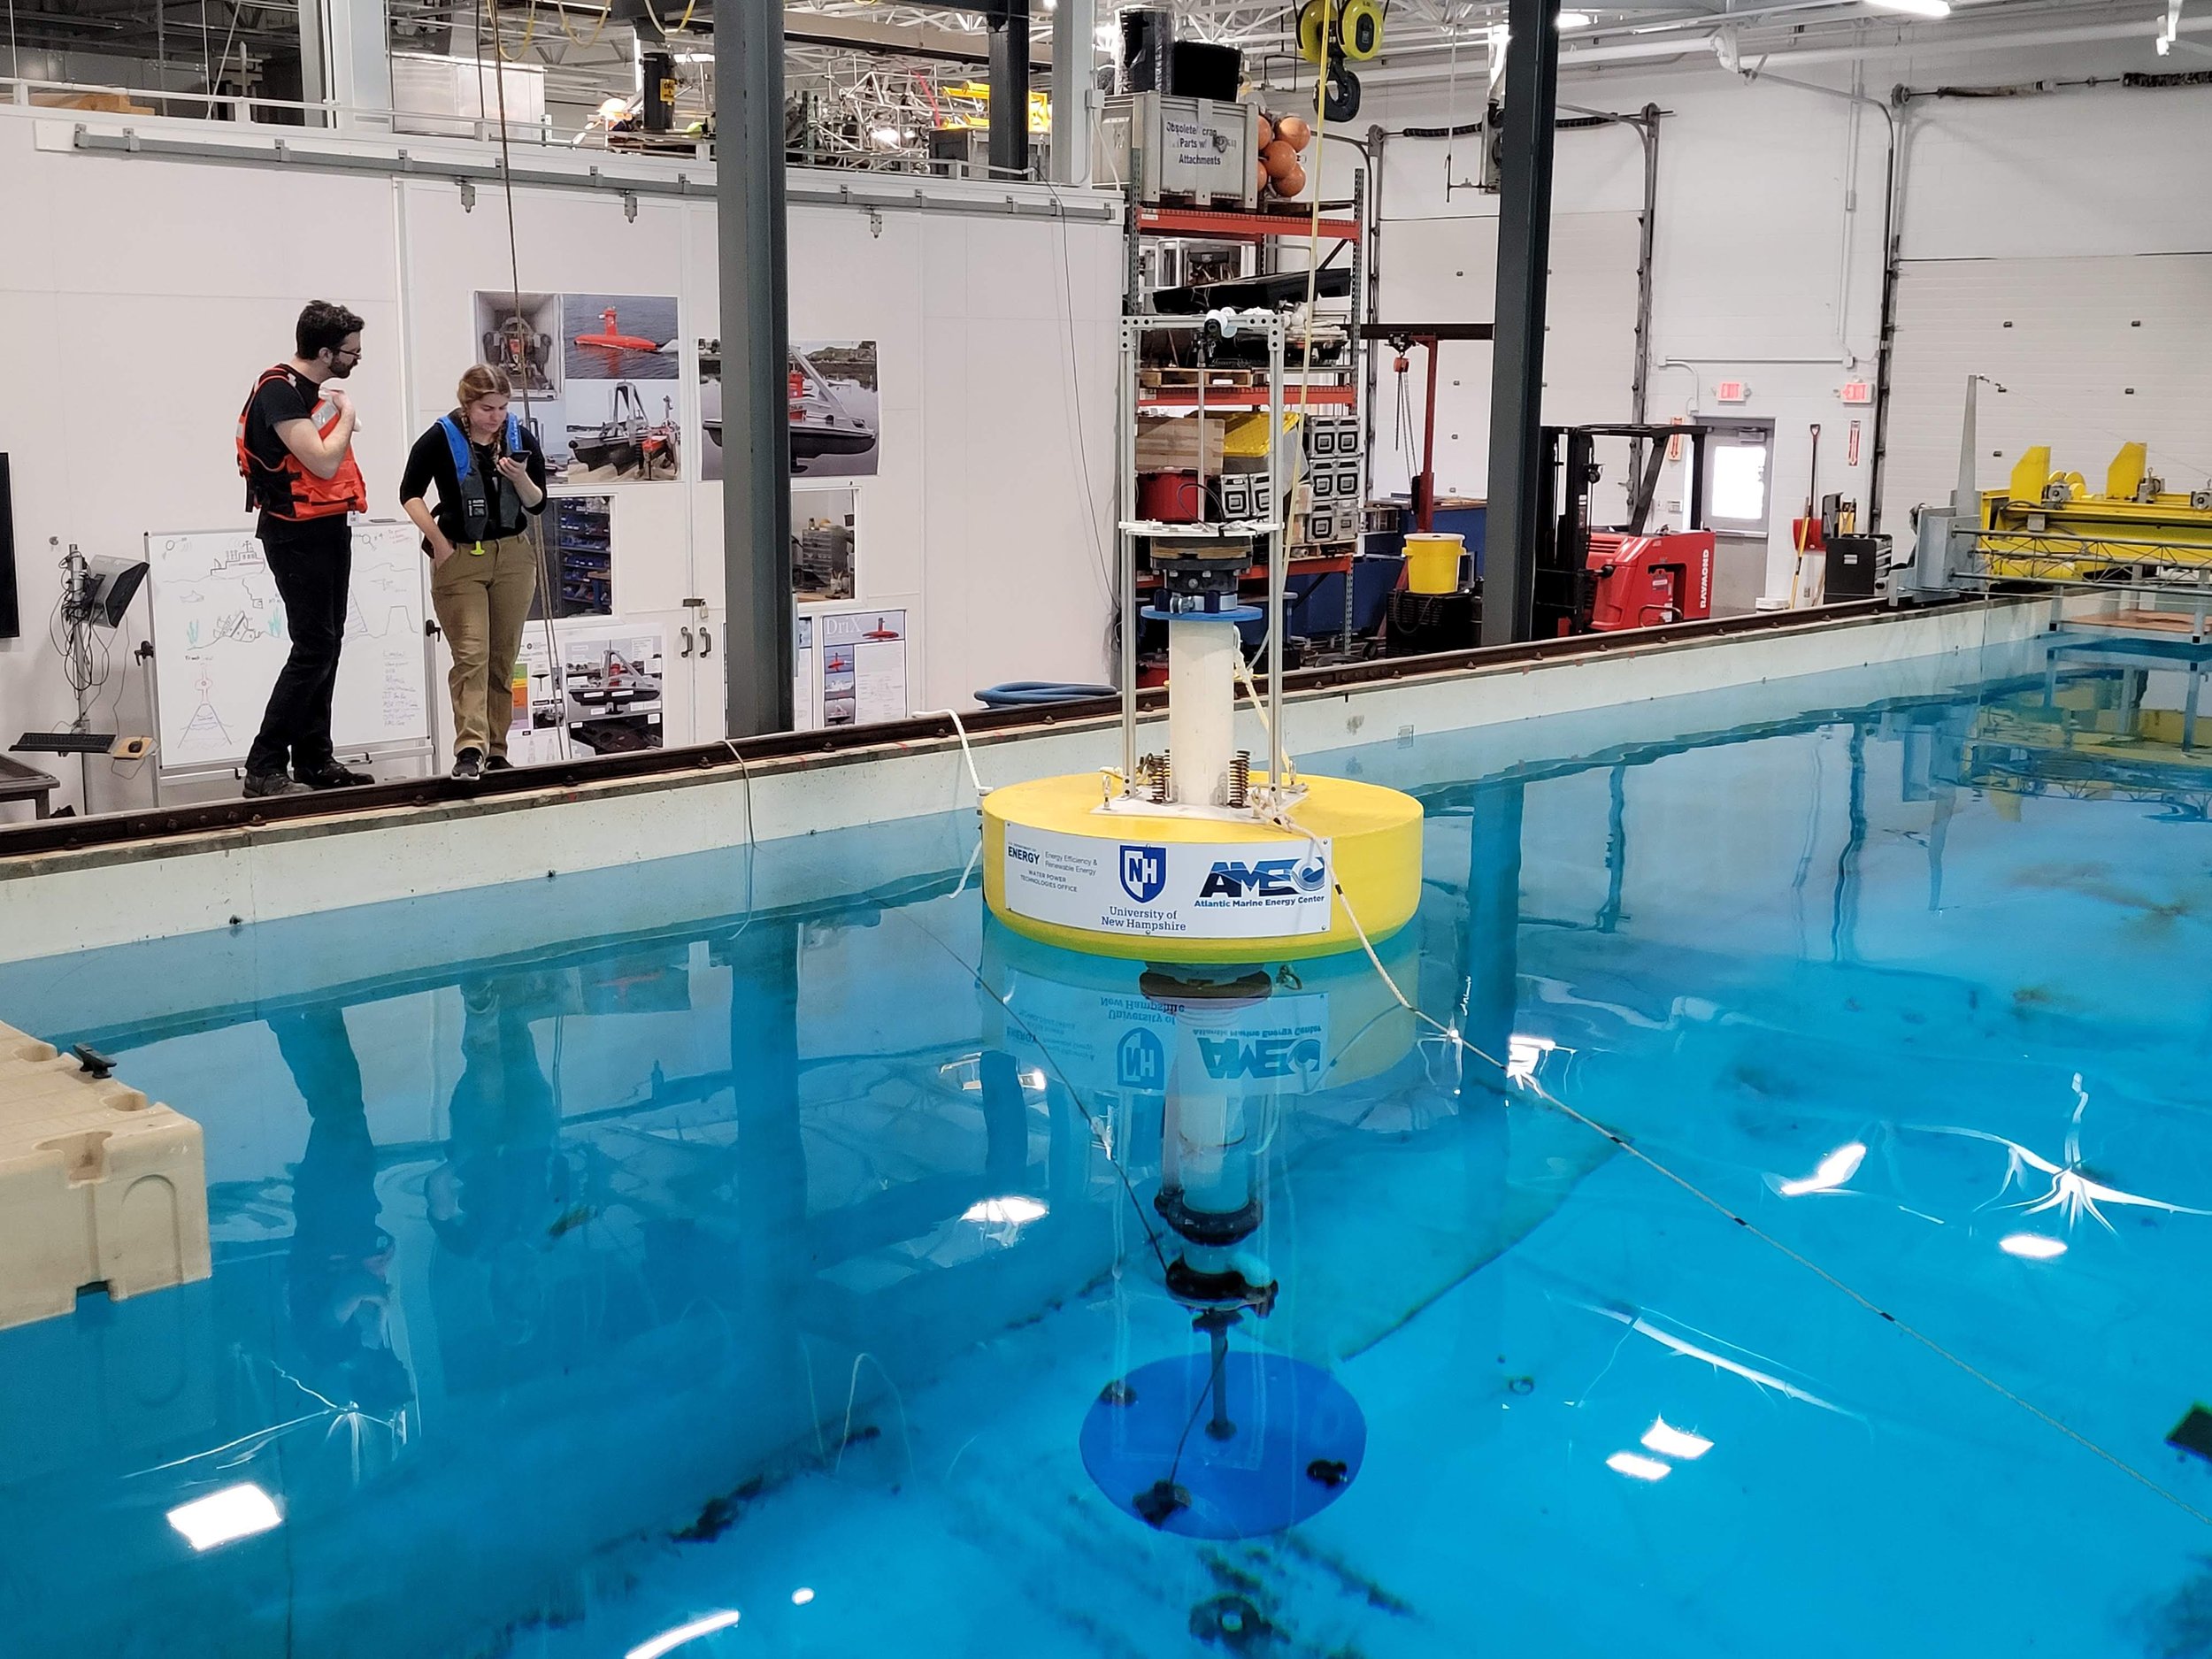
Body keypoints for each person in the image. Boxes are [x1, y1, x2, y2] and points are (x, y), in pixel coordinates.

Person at [236, 300, 370, 797]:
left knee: (328, 644)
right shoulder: (278, 391)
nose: (357, 359)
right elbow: (323, 463)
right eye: (352, 352)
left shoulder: (310, 392)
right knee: (313, 648)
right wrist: (348, 412)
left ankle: (314, 758)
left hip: (329, 527)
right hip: (294, 534)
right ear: (325, 352)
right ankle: (264, 765)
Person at [400, 365, 548, 780]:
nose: (496, 417)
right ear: (467, 405)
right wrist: (438, 542)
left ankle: (497, 750)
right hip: (461, 557)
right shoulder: (439, 438)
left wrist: (520, 477)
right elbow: (409, 493)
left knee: (502, 658)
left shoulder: (519, 438)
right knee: (471, 656)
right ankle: (470, 748)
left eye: (502, 408)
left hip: (513, 557)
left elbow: (537, 503)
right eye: (487, 409)